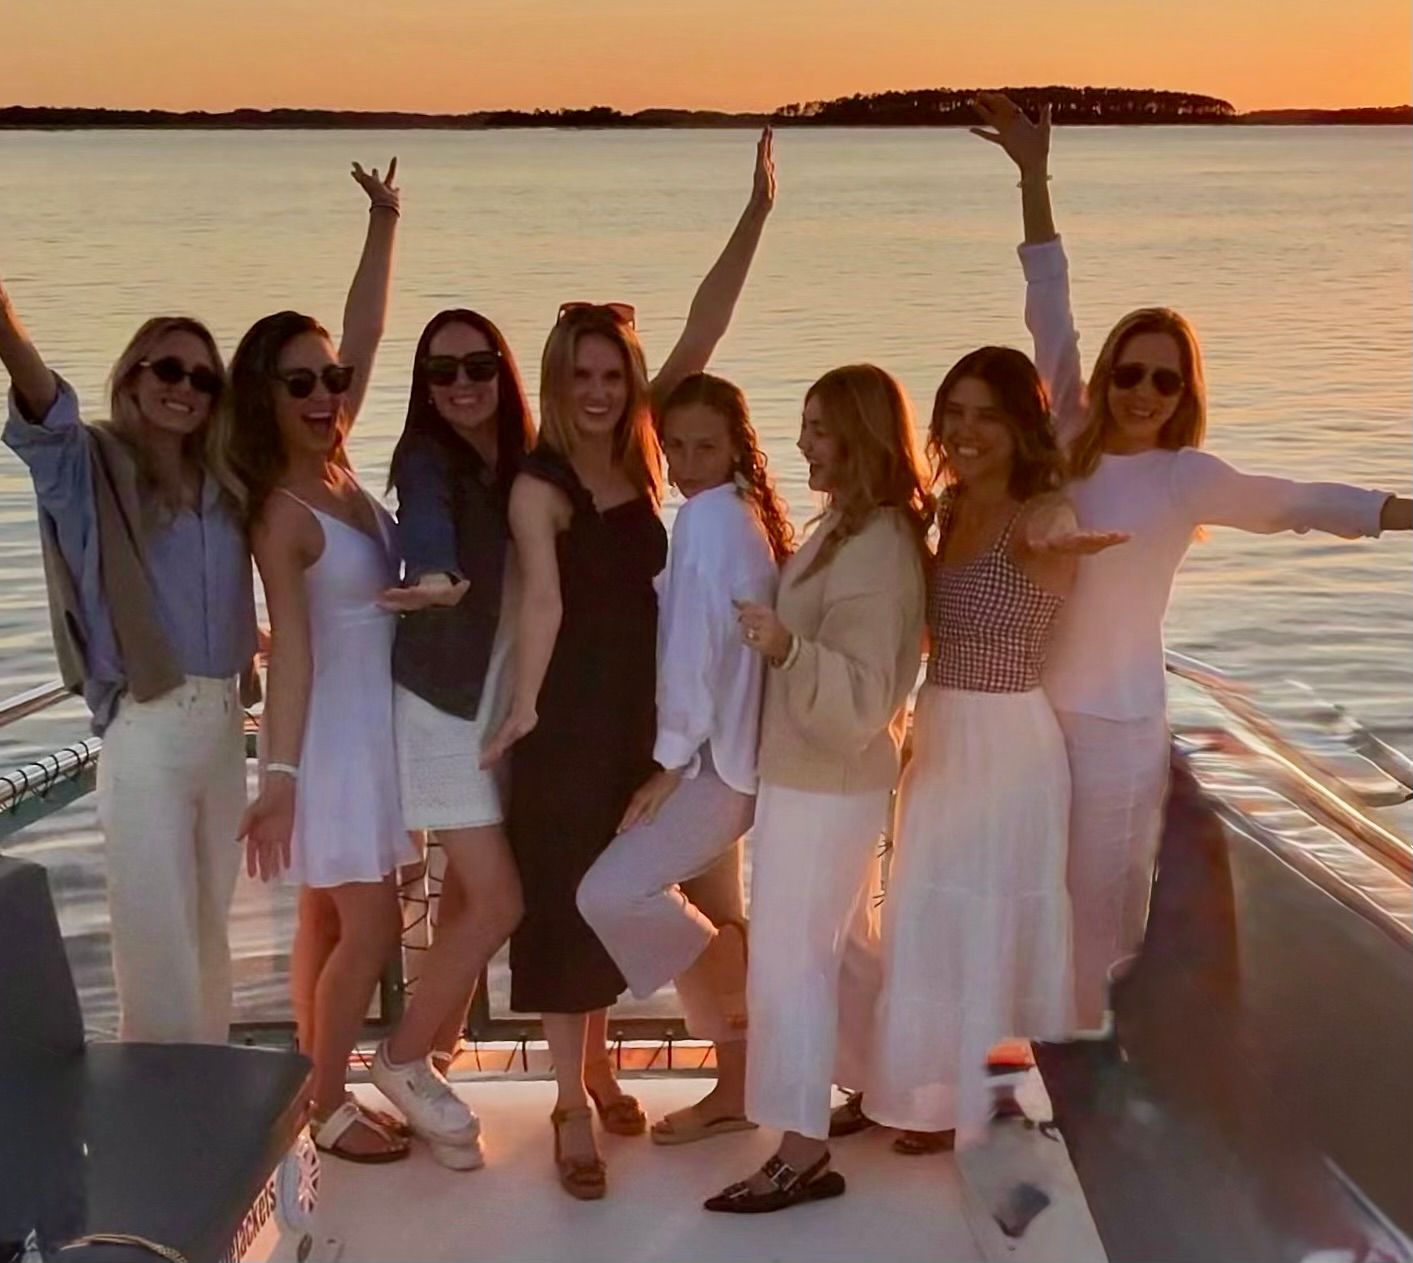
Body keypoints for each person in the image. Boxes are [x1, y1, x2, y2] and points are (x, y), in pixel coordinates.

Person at [972, 92, 1413, 1030]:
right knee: (1022, 896)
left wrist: (1400, 512)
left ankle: (1086, 1082)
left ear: (1184, 393)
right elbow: (1048, 302)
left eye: (1163, 378)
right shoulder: (1069, 431)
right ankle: (1027, 1060)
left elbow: (1300, 504)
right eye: (1129, 371)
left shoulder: (1187, 478)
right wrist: (1034, 180)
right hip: (1033, 713)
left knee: (1100, 920)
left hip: (1121, 727)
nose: (1141, 390)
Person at [479, 128, 778, 1201]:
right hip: (570, 725)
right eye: (584, 376)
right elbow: (546, 607)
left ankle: (611, 1068)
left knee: (633, 898)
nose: (601, 391)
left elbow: (706, 322)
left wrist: (756, 215)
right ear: (559, 381)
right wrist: (517, 718)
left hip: (657, 728)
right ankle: (571, 1104)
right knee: (568, 905)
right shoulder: (540, 482)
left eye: (614, 373)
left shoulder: (659, 450)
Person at [863, 347, 1126, 1153]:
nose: (968, 430)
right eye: (956, 413)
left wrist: (1061, 534)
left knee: (992, 921)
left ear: (1020, 427)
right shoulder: (946, 508)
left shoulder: (1038, 513)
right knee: (928, 913)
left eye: (988, 415)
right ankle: (928, 1094)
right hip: (940, 726)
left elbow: (1054, 528)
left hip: (1008, 740)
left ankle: (996, 1104)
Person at [1, 272, 256, 1045]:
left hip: (222, 724)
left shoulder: (227, 481)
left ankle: (206, 1094)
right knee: (156, 934)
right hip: (146, 725)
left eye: (203, 378)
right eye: (168, 369)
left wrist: (383, 227)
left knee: (212, 928)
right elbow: (43, 404)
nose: (185, 388)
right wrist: (6, 324)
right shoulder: (90, 467)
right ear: (133, 376)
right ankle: (162, 1103)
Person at [708, 363, 930, 1214]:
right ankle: (902, 1086)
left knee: (789, 964)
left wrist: (783, 650)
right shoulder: (849, 526)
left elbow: (869, 696)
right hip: (820, 779)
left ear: (861, 437)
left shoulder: (874, 549)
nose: (801, 442)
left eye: (819, 428)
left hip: (825, 782)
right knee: (840, 951)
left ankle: (800, 1150)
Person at [231, 160, 416, 1164]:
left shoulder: (338, 462)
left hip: (373, 730)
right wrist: (280, 782)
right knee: (371, 925)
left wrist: (386, 224)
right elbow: (291, 654)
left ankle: (310, 1084)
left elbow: (369, 330)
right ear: (267, 398)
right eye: (299, 382)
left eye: (330, 378)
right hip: (333, 744)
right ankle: (332, 1102)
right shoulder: (284, 510)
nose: (323, 392)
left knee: (325, 923)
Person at [576, 372, 791, 1147]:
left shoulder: (706, 519)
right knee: (706, 904)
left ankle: (727, 966)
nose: (689, 461)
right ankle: (734, 1089)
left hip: (710, 765)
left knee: (607, 892)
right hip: (737, 758)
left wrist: (668, 761)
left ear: (736, 444)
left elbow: (696, 659)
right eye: (676, 447)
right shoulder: (744, 516)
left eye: (706, 445)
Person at [365, 308, 533, 1170]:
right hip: (439, 706)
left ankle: (424, 1056)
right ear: (424, 387)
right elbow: (426, 521)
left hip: (493, 703)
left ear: (504, 371)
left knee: (473, 900)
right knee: (498, 899)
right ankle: (397, 1058)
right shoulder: (427, 459)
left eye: (477, 366)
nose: (461, 384)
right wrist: (432, 576)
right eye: (442, 372)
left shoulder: (520, 462)